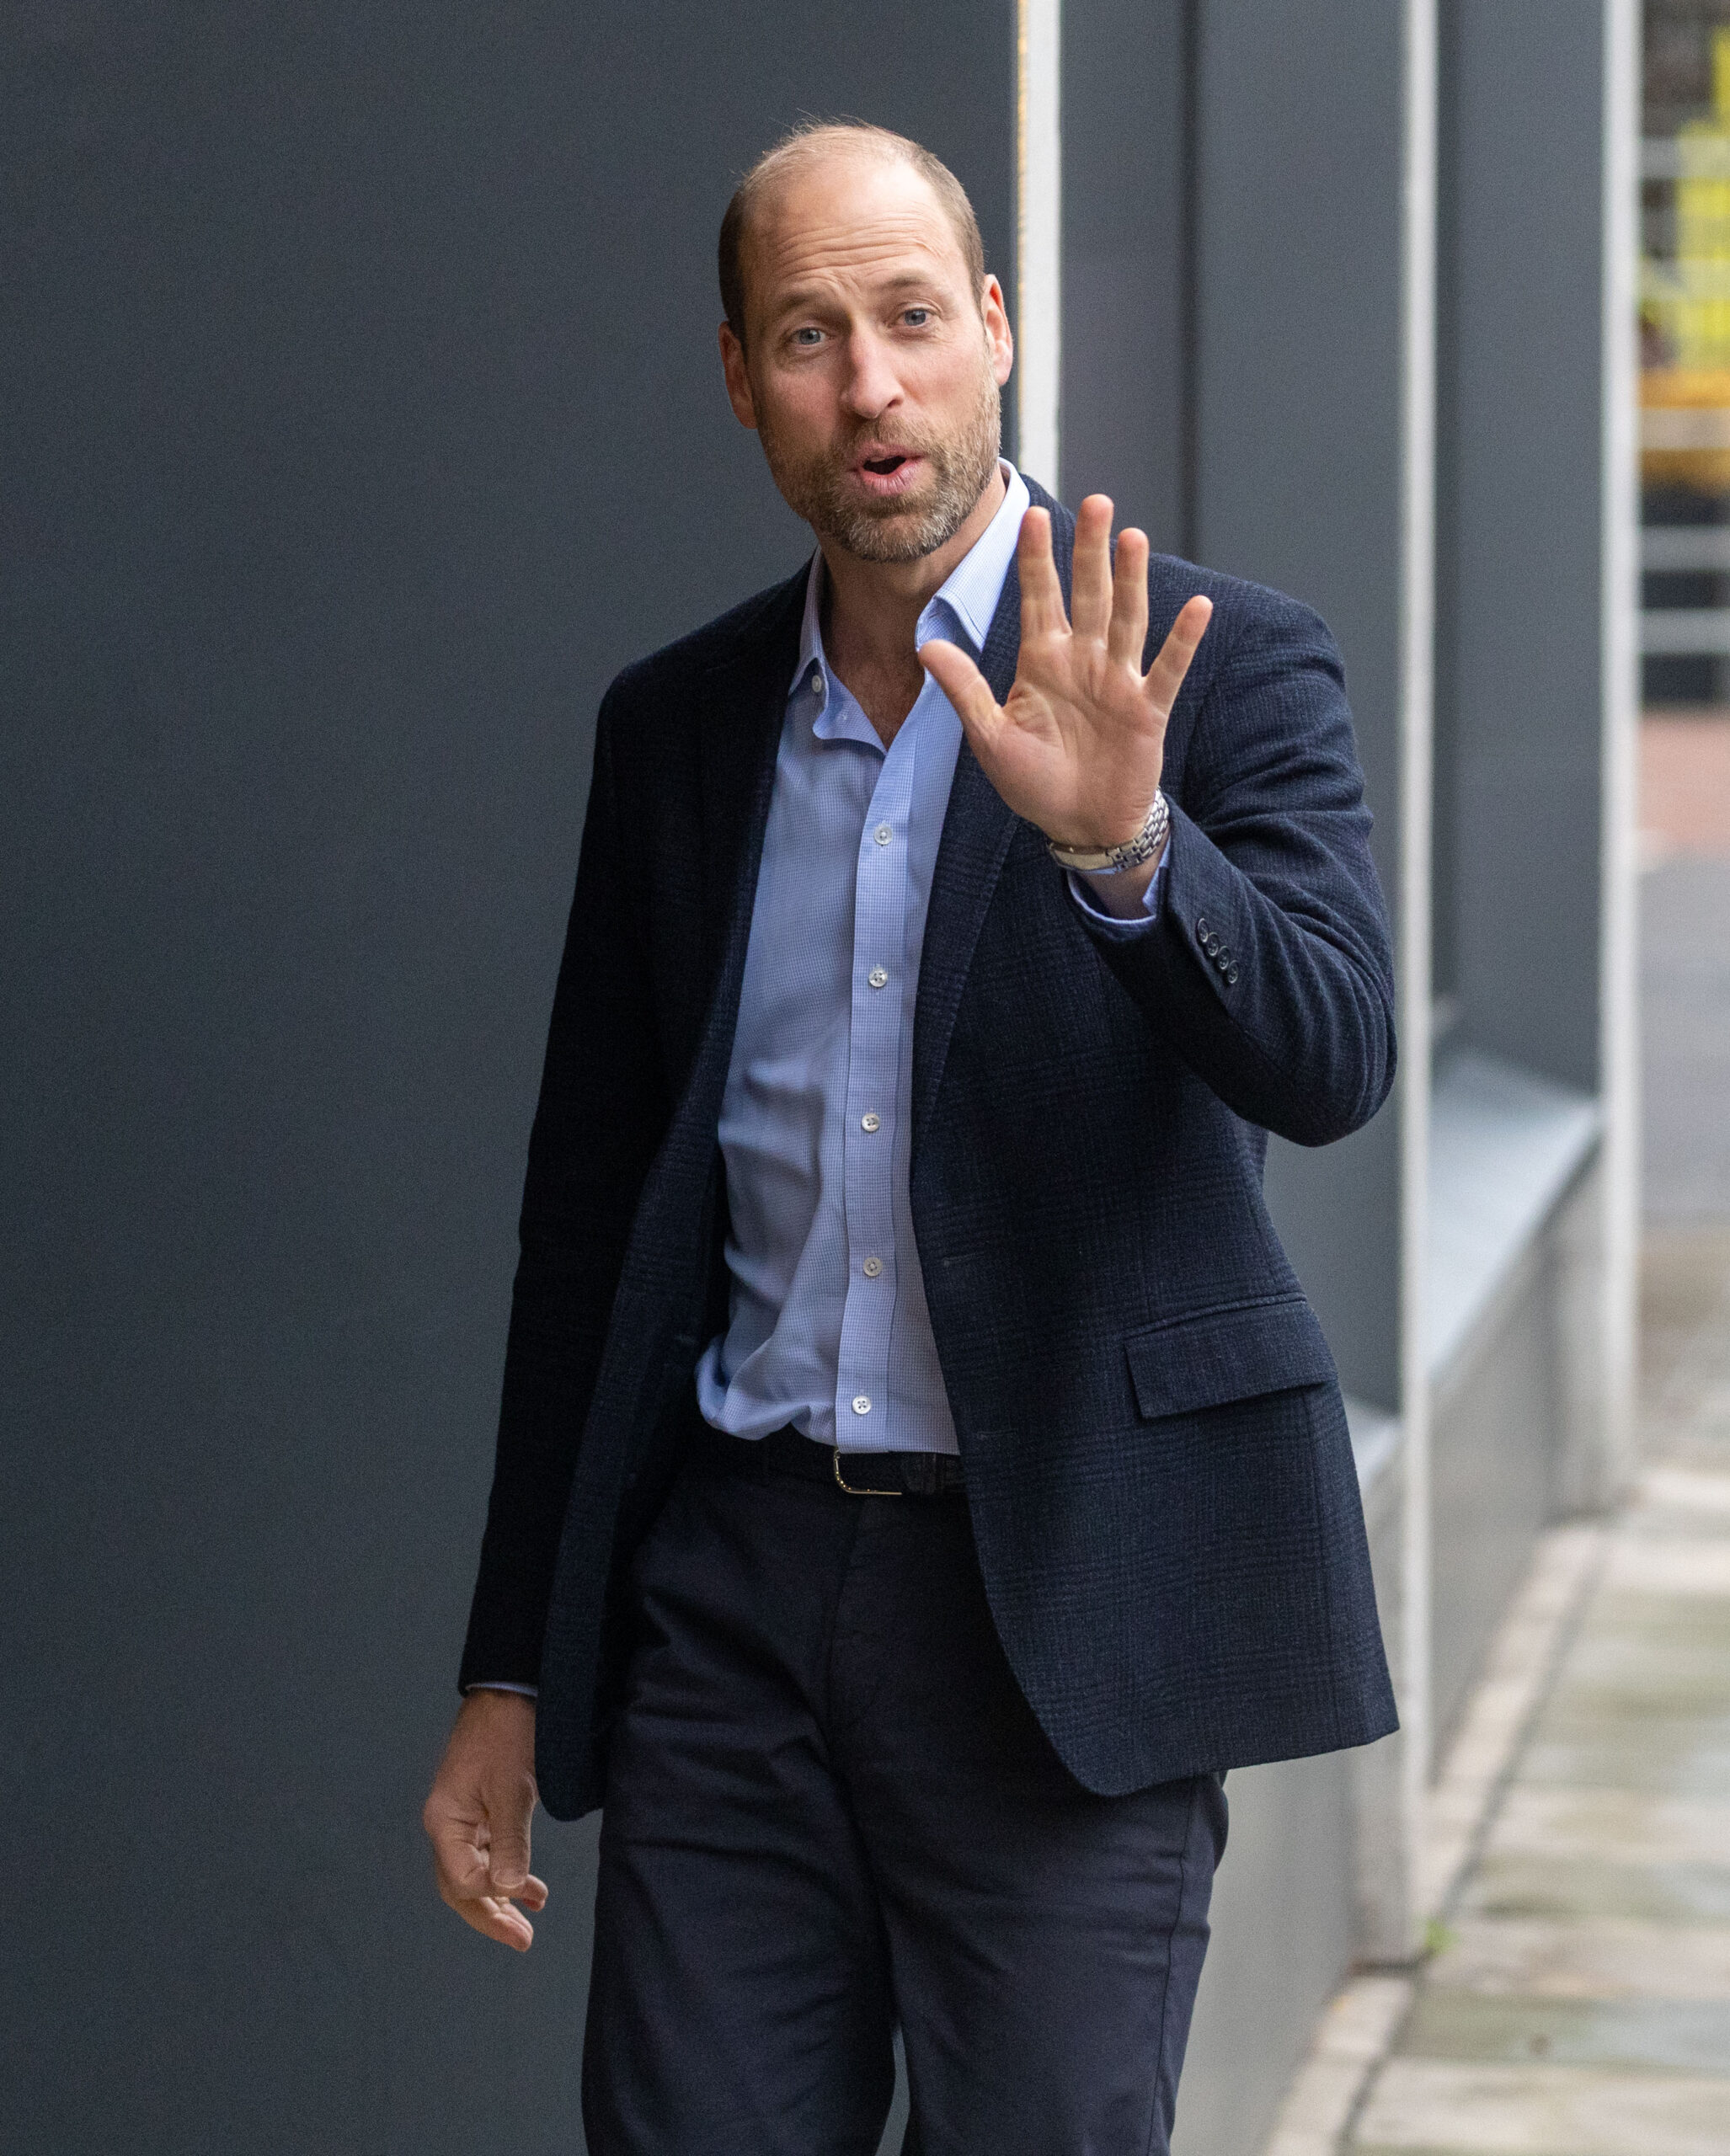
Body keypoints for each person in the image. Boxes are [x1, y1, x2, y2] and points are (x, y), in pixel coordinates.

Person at [424, 119, 1397, 2155]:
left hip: (1056, 1605)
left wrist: (1124, 841)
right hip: (735, 1606)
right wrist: (517, 1660)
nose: (868, 386)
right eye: (804, 334)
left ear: (996, 330)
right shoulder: (677, 729)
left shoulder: (1207, 667)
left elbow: (1331, 1055)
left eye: (905, 319)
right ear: (736, 377)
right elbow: (586, 1222)